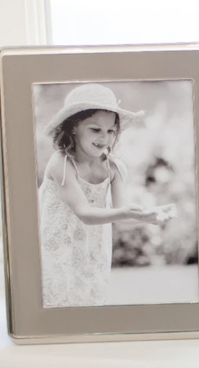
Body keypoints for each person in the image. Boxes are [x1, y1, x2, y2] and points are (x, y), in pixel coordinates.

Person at [38, 83, 174, 307]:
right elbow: (84, 213)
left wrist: (146, 216)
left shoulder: (113, 168)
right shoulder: (61, 163)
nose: (104, 138)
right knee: (58, 306)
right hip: (57, 250)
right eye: (95, 129)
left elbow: (123, 219)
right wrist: (125, 213)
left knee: (89, 307)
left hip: (92, 252)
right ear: (73, 128)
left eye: (111, 130)